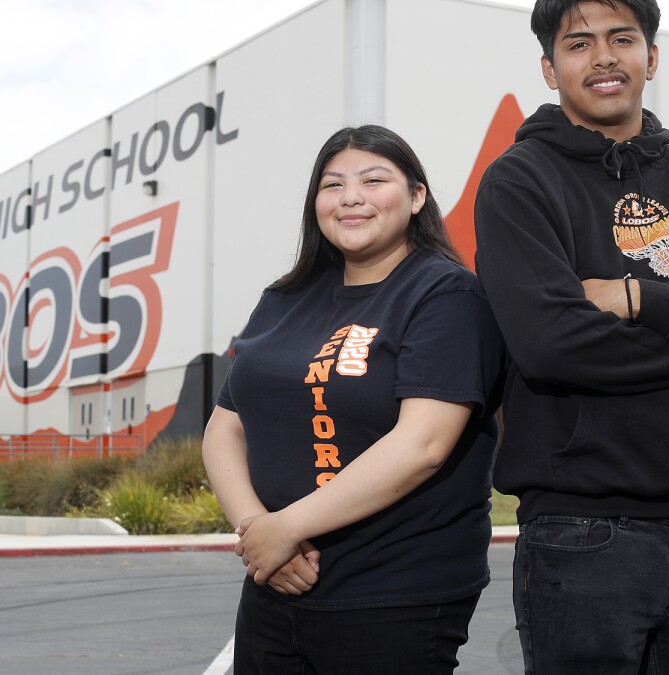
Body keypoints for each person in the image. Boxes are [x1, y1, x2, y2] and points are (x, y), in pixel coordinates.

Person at [473, 1, 669, 673]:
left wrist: (635, 297)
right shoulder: (519, 181)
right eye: (578, 43)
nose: (603, 57)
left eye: (622, 39)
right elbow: (552, 343)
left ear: (651, 57)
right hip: (580, 532)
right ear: (549, 68)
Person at [202, 124, 505, 674]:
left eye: (373, 180)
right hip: (277, 581)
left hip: (393, 593)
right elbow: (225, 425)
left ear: (417, 196)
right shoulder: (284, 299)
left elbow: (422, 446)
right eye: (332, 184)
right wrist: (258, 530)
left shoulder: (447, 295)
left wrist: (286, 529)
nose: (351, 198)